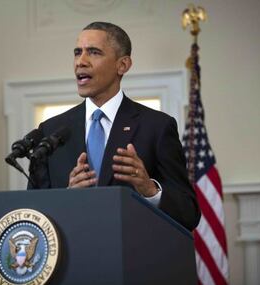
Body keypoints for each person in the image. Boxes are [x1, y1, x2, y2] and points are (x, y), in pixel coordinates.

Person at [29, 22, 200, 231]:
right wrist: (67, 196)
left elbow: (189, 214)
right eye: (77, 52)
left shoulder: (157, 127)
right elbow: (34, 215)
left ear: (123, 65)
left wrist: (149, 188)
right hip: (74, 258)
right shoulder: (51, 131)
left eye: (93, 52)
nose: (80, 62)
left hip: (134, 258)